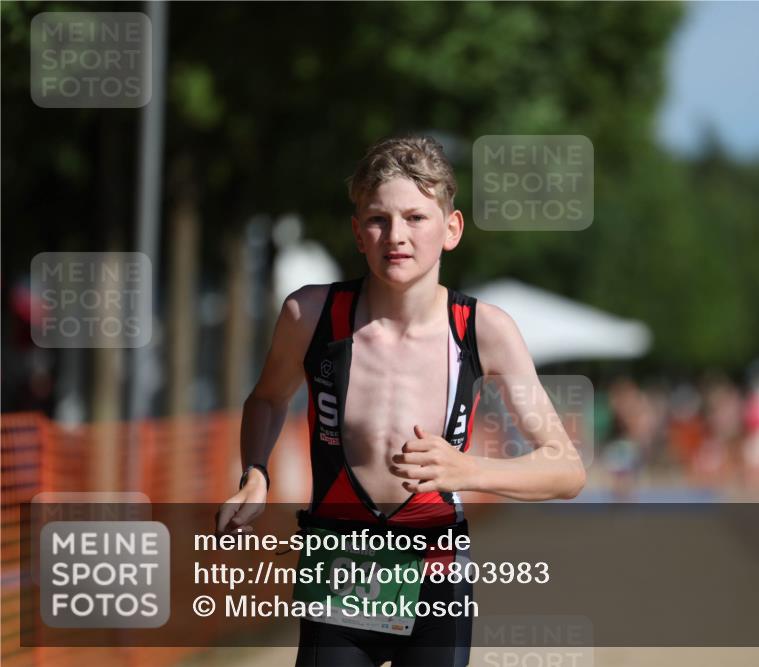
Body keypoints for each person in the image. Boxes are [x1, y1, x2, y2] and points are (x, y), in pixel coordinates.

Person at [215, 136, 586, 666]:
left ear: (451, 229)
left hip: (436, 569)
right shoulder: (310, 315)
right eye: (378, 219)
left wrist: (469, 471)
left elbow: (566, 469)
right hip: (341, 566)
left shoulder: (484, 330)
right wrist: (255, 471)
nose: (397, 236)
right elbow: (268, 399)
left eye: (416, 218)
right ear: (357, 233)